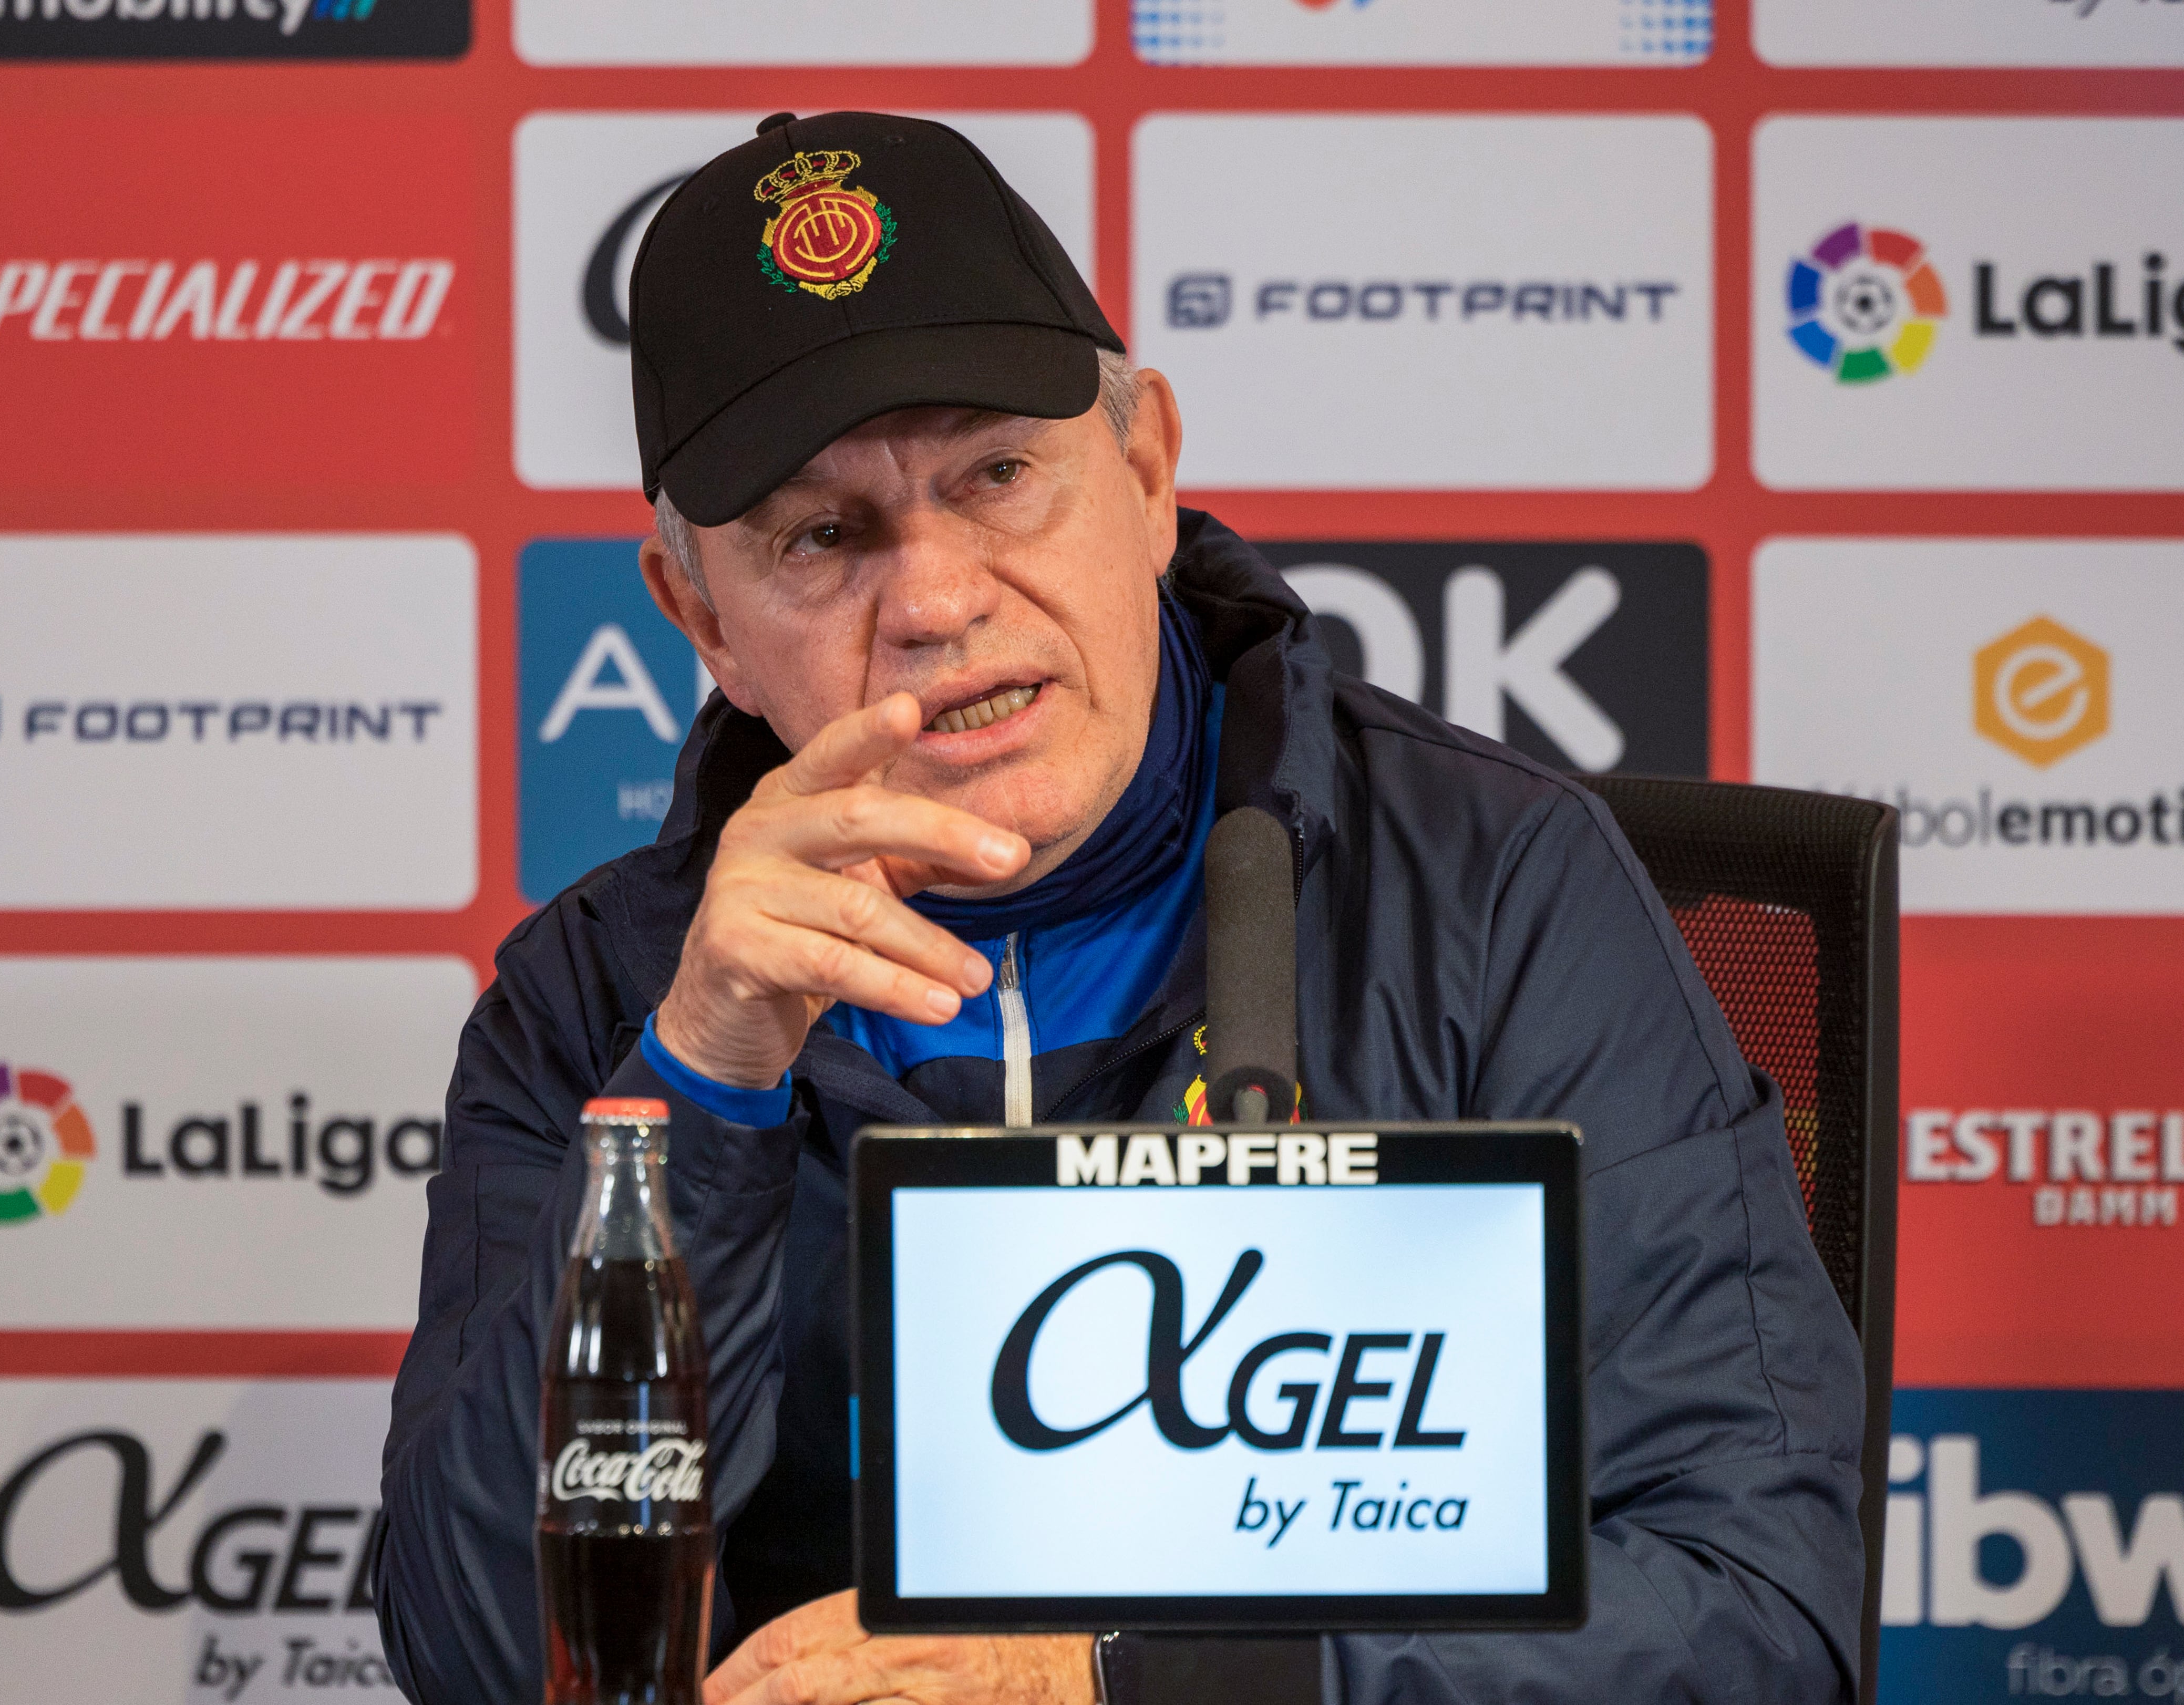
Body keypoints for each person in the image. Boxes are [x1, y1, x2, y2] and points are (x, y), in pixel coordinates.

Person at [377, 111, 1865, 1705]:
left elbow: (1755, 1613)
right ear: (703, 621)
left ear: (1147, 473)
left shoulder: (1495, 885)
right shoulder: (604, 1001)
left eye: (1000, 476)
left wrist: (1124, 1682)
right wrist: (707, 1084)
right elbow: (489, 1666)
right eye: (823, 536)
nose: (937, 603)